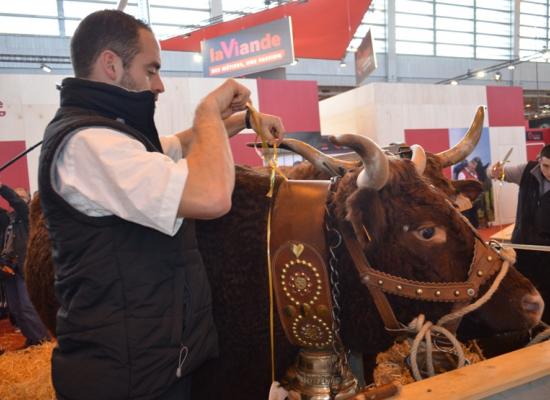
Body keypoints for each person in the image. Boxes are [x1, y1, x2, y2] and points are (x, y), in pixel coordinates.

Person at [38, 9, 285, 400]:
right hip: (124, 380)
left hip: (149, 363)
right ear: (111, 65)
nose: (160, 85)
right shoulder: (89, 145)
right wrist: (207, 111)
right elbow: (212, 196)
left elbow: (176, 145)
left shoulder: (113, 136)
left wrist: (239, 122)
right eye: (151, 69)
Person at [489, 144, 550, 319]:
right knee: (521, 290)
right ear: (539, 161)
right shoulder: (525, 171)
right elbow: (494, 173)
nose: (549, 172)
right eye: (546, 166)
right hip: (521, 248)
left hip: (547, 254)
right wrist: (494, 171)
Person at [0, 183, 51, 346]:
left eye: (22, 196)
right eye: (17, 195)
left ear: (28, 199)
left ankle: (41, 340)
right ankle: (31, 337)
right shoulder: (10, 219)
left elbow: (17, 202)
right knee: (15, 309)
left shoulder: (27, 214)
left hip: (23, 266)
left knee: (26, 306)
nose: (19, 198)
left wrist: (2, 187)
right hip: (9, 268)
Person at [457, 158, 481, 228]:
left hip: (474, 201)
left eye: (475, 165)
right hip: (465, 201)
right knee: (467, 221)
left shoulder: (475, 173)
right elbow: (460, 188)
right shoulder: (462, 173)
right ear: (469, 163)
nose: (474, 167)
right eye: (473, 164)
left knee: (475, 220)